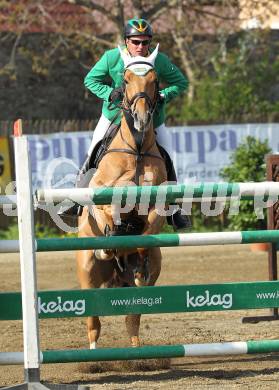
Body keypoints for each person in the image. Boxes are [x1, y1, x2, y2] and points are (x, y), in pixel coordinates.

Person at [70, 18, 191, 230]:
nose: (140, 47)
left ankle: (174, 208)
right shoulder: (111, 57)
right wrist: (110, 93)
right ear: (126, 41)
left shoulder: (159, 60)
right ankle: (75, 198)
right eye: (136, 42)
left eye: (145, 42)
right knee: (93, 150)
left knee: (169, 157)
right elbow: (90, 80)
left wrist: (163, 94)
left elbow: (181, 82)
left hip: (152, 120)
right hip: (114, 117)